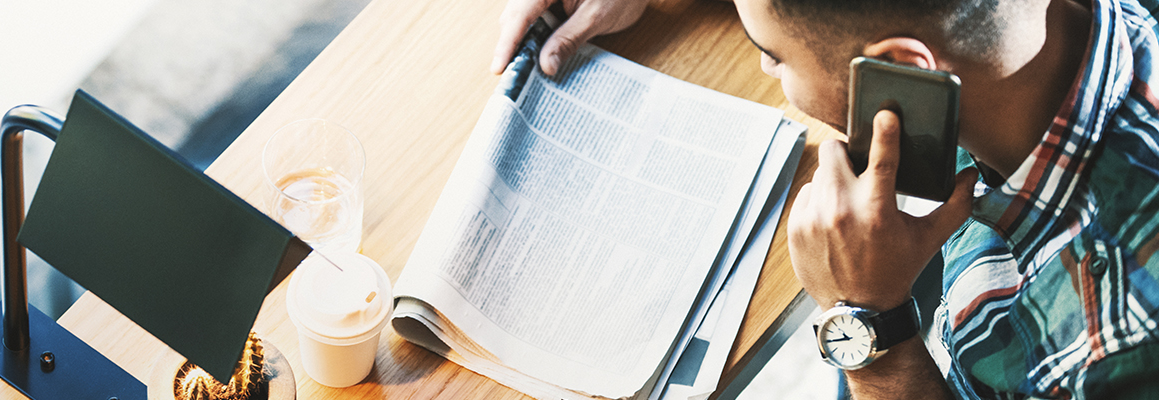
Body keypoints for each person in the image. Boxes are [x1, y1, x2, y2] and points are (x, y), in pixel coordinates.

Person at [494, 0, 1159, 398]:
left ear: (900, 70)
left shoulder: (1114, 340)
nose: (763, 67)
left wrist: (875, 331)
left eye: (771, 55)